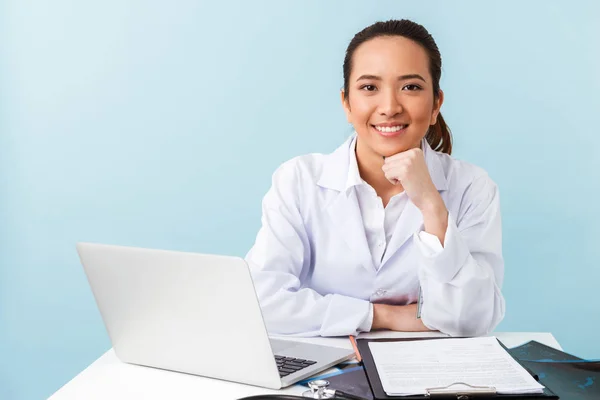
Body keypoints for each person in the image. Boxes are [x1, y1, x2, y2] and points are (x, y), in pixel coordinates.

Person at [245, 19, 505, 337]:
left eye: (410, 87)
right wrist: (380, 316)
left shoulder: (472, 187)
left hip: (428, 374)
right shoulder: (298, 180)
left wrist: (432, 206)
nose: (389, 107)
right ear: (347, 103)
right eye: (369, 88)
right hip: (325, 373)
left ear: (436, 103)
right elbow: (260, 303)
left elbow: (473, 318)